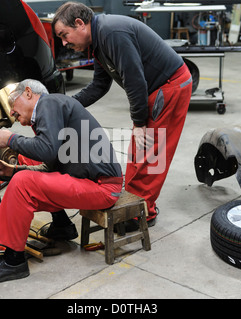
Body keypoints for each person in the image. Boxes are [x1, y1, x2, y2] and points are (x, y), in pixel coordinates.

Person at [52, 2, 192, 231]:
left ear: (79, 23)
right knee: (138, 152)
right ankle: (134, 203)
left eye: (64, 35)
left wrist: (139, 124)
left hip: (170, 85)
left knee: (151, 152)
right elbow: (99, 86)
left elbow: (135, 80)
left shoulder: (111, 33)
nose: (64, 43)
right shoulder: (97, 41)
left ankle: (142, 214)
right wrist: (65, 105)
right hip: (154, 88)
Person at [0, 79, 122, 284]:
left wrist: (11, 139)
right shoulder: (53, 111)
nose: (14, 117)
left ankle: (14, 262)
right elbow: (49, 167)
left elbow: (47, 149)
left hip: (102, 187)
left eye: (14, 109)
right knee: (24, 174)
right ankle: (62, 226)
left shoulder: (48, 103)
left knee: (24, 183)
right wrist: (12, 170)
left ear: (28, 93)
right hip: (90, 182)